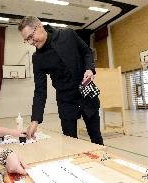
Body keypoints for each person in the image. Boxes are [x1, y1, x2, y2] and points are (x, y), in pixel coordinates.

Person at [18, 16, 104, 145]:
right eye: (26, 40)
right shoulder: (37, 58)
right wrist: (35, 120)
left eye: (30, 37)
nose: (30, 42)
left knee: (96, 137)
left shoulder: (68, 35)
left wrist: (90, 69)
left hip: (86, 94)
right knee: (70, 142)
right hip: (66, 101)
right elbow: (40, 91)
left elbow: (87, 51)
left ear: (39, 27)